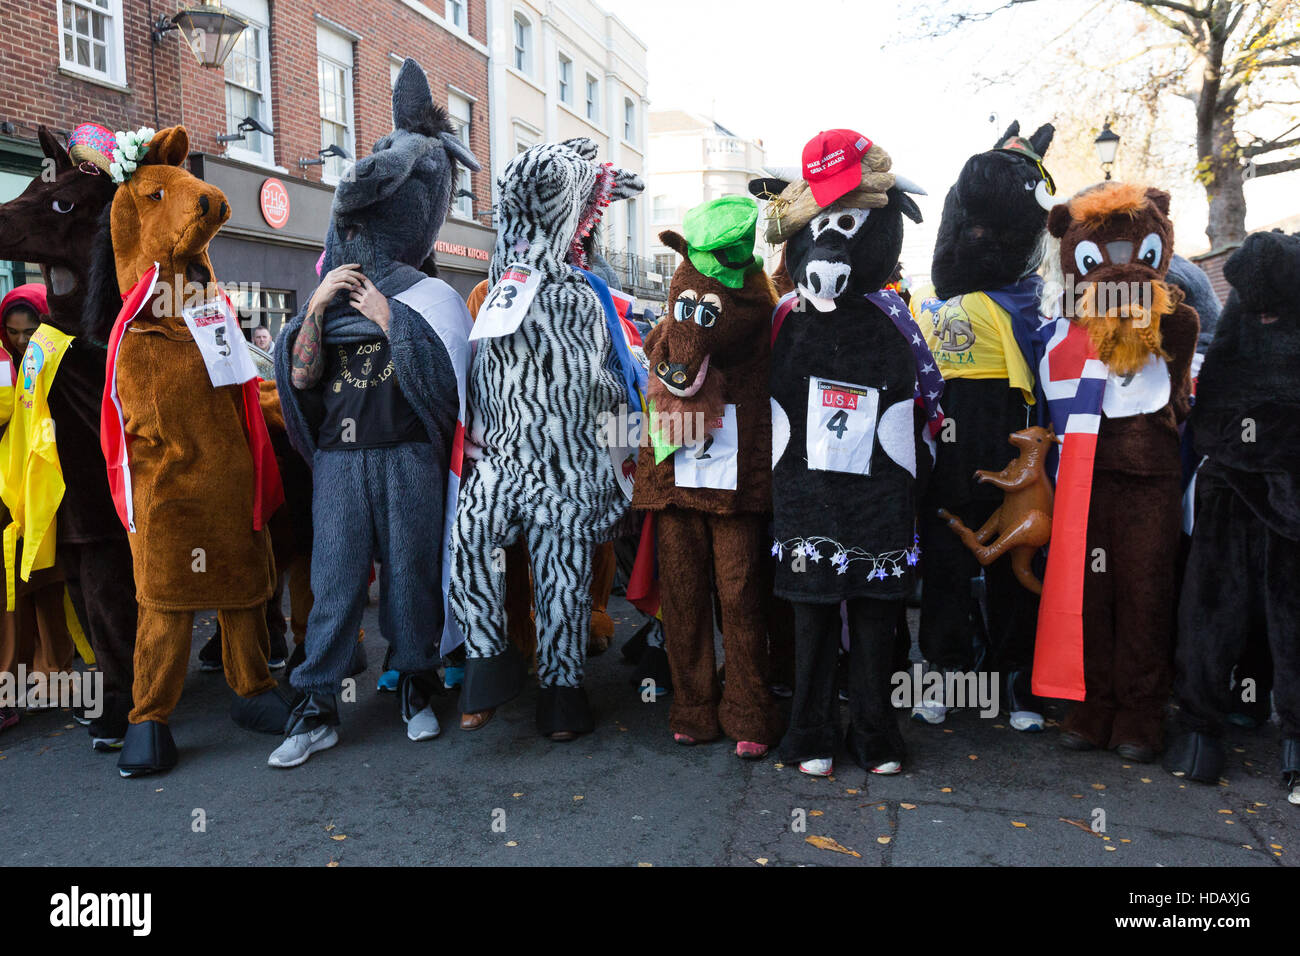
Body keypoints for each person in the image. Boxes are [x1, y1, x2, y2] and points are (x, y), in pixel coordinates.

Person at [0, 284, 75, 732]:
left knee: (48, 585)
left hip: (46, 490)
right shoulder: (8, 364)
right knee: (16, 593)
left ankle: (56, 677)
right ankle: (18, 686)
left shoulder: (57, 360)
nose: (22, 340)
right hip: (13, 494)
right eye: (12, 332)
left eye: (31, 331)